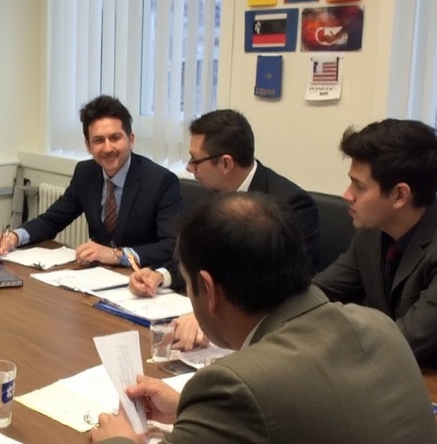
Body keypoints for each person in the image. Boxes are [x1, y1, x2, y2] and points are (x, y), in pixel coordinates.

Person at [71, 192, 437, 444]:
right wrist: (189, 408)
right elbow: (300, 415)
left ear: (208, 289)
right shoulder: (379, 325)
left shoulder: (239, 387)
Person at [313, 119, 437, 381]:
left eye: (359, 186)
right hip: (399, 374)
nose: (347, 194)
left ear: (400, 195)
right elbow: (318, 293)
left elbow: (405, 339)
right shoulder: (373, 231)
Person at [130, 109, 321, 349]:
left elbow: (282, 290)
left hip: (271, 340)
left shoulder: (290, 205)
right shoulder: (215, 195)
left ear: (225, 163)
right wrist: (161, 275)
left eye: (195, 160)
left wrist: (209, 317)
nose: (189, 168)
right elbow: (199, 260)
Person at [0, 95, 182, 267]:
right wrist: (15, 237)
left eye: (115, 138)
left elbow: (172, 246)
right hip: (97, 277)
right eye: (98, 141)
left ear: (131, 140)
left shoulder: (160, 182)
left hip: (143, 279)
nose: (107, 148)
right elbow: (51, 220)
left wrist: (117, 255)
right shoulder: (85, 173)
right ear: (88, 145)